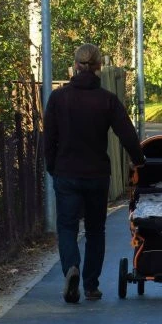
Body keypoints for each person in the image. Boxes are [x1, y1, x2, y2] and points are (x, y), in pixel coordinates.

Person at [44, 43, 146, 303]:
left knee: (67, 226)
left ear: (74, 66)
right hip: (97, 175)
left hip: (66, 172)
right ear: (99, 68)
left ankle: (71, 268)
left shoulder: (59, 98)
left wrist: (51, 166)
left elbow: (49, 137)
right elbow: (127, 134)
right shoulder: (107, 100)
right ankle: (90, 286)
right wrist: (139, 161)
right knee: (95, 230)